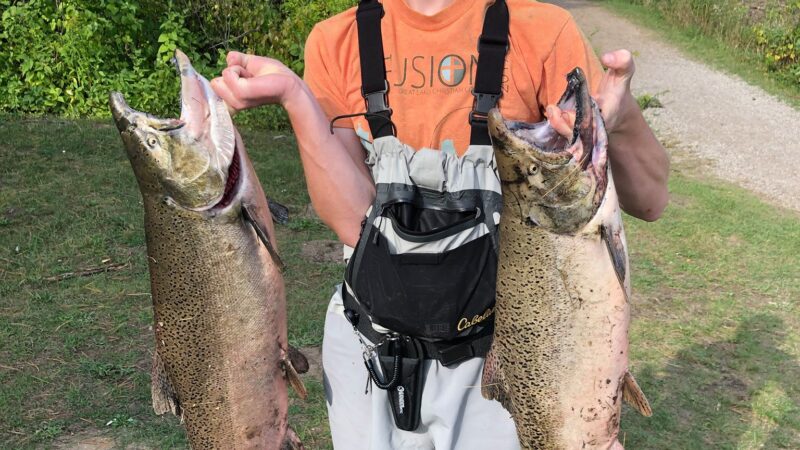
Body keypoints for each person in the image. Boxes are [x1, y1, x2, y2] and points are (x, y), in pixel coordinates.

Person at [211, 0, 669, 448]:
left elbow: (649, 200)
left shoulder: (544, 31)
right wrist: (295, 98)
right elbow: (355, 223)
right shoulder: (336, 40)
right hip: (369, 352)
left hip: (504, 356)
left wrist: (621, 118)